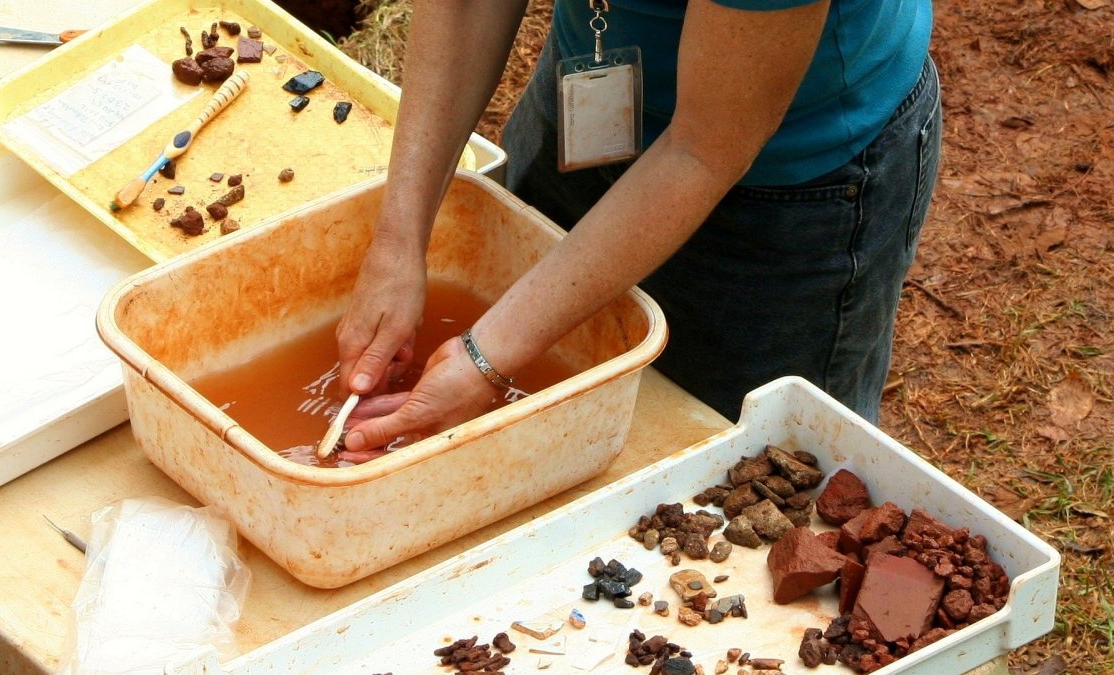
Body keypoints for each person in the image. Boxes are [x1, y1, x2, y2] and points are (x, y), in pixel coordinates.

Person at [335, 0, 941, 452]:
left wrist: (484, 359)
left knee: (747, 464)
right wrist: (398, 240)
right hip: (598, 86)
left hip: (789, 186)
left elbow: (704, 150)